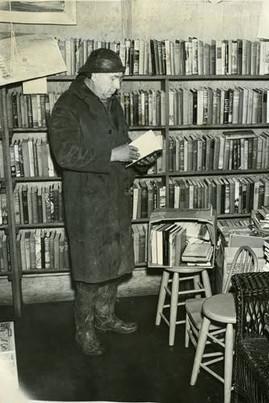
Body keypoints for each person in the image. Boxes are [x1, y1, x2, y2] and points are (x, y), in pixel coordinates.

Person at [48, 48, 156, 356]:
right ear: (93, 75)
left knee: (114, 262)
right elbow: (65, 155)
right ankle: (85, 331)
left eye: (119, 78)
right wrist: (114, 154)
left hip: (113, 195)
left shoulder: (111, 103)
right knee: (90, 270)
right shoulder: (67, 106)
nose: (118, 85)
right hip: (86, 201)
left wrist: (140, 157)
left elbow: (122, 144)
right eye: (114, 78)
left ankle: (106, 317)